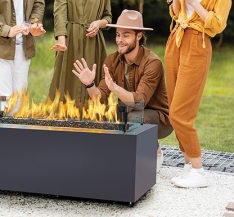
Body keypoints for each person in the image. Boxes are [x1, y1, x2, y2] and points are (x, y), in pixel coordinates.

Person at [163, 0, 232, 188]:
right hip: (176, 41)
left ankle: (199, 169)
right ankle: (188, 164)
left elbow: (216, 25)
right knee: (173, 111)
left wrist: (192, 1)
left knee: (182, 112)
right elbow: (178, 13)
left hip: (197, 44)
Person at [72, 10, 173, 172]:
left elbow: (140, 101)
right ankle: (110, 156)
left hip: (157, 116)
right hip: (125, 111)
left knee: (132, 116)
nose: (120, 40)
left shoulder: (152, 63)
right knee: (97, 112)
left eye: (126, 35)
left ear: (139, 36)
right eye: (118, 35)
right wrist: (89, 84)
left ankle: (155, 152)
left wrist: (115, 88)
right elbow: (100, 99)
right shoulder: (112, 60)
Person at [48, 0, 112, 106]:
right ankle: (64, 123)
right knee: (66, 84)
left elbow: (108, 17)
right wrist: (61, 41)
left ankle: (94, 124)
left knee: (92, 83)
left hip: (93, 42)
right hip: (69, 42)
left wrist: (99, 23)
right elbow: (59, 14)